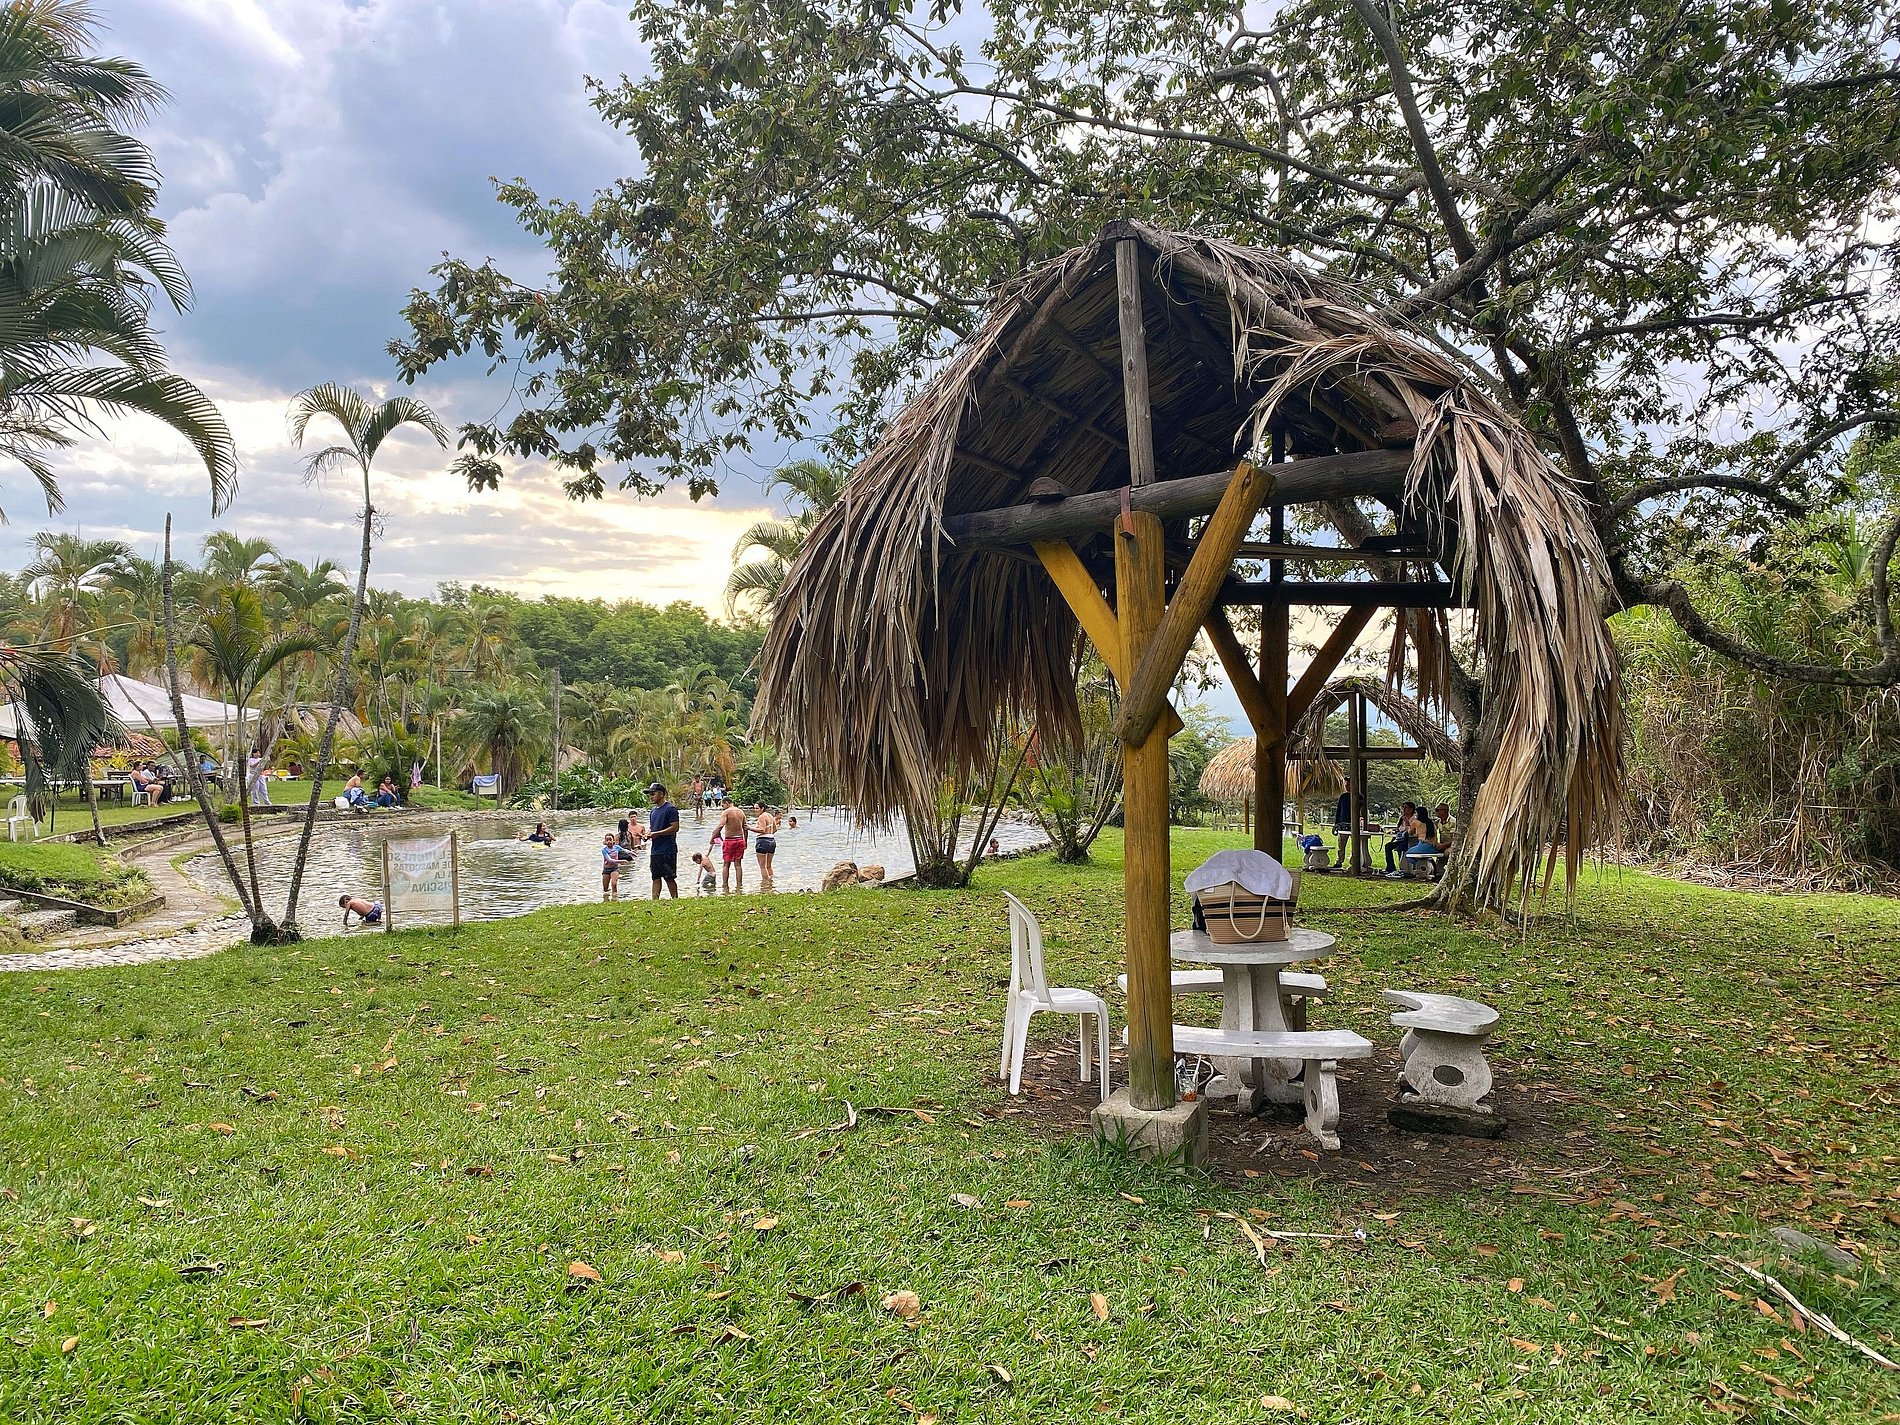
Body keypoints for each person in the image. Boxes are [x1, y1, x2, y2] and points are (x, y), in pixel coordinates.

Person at [645, 781, 680, 898]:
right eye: (650, 794)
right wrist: (648, 833)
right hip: (655, 850)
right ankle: (655, 900)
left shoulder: (670, 809)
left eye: (653, 794)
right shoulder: (653, 811)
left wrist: (657, 834)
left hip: (667, 849)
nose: (651, 797)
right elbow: (652, 827)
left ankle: (675, 899)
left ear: (661, 794)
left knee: (669, 877)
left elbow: (675, 827)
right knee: (655, 877)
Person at [711, 797, 748, 893]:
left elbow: (720, 825)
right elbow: (745, 828)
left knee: (726, 864)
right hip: (740, 839)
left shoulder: (726, 812)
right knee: (738, 864)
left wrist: (713, 837)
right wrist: (745, 841)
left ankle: (725, 886)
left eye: (722, 805)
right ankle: (739, 886)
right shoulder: (741, 812)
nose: (722, 807)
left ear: (727, 803)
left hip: (730, 840)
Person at [1384, 802, 1420, 874]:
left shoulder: (1414, 820)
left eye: (1406, 808)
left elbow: (1411, 832)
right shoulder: (1402, 818)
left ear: (1411, 809)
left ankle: (1404, 868)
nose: (1403, 809)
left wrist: (1407, 823)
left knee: (1401, 848)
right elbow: (1399, 829)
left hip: (1410, 840)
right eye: (1403, 807)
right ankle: (1390, 868)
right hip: (1400, 839)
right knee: (1388, 846)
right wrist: (1394, 832)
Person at [1330, 789, 1354, 868]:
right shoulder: (1343, 796)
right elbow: (1339, 810)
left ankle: (1354, 861)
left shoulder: (1359, 796)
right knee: (1341, 845)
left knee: (1355, 845)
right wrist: (1336, 823)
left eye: (1348, 785)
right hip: (1342, 824)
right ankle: (1339, 861)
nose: (1347, 787)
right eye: (1346, 785)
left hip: (1354, 823)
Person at [600, 832, 623, 900]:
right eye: (607, 840)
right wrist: (621, 861)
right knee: (605, 889)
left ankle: (615, 898)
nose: (609, 842)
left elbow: (625, 850)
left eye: (610, 840)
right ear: (605, 842)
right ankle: (606, 899)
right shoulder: (604, 850)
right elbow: (610, 860)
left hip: (614, 868)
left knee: (614, 884)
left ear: (614, 841)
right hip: (606, 869)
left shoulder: (617, 847)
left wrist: (632, 853)